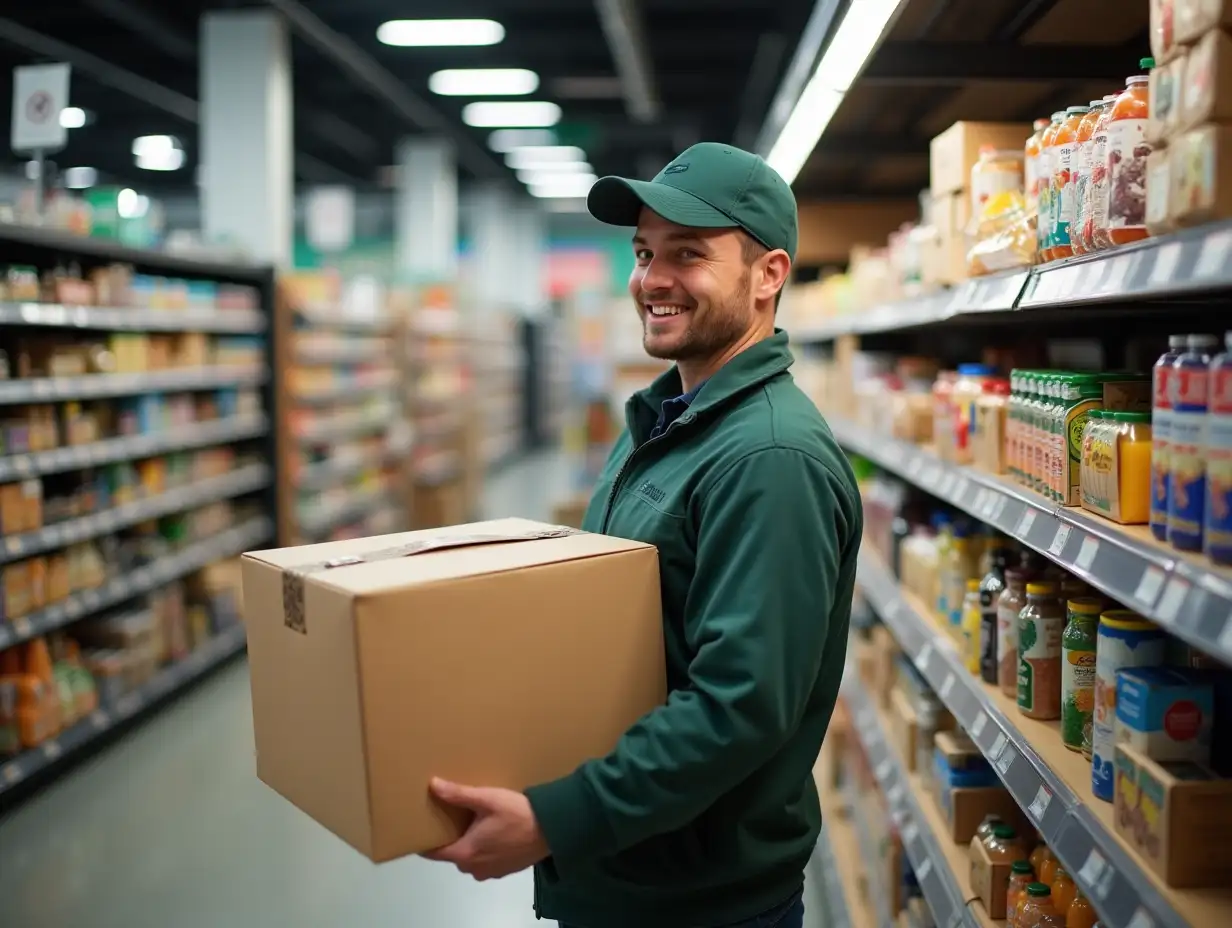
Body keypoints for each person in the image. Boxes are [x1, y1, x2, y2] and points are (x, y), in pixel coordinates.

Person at [425, 142, 862, 928]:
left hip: (695, 902)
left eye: (688, 254)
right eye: (642, 252)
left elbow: (739, 706)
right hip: (630, 870)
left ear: (769, 276)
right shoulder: (668, 419)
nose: (652, 279)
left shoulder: (768, 457)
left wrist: (560, 818)